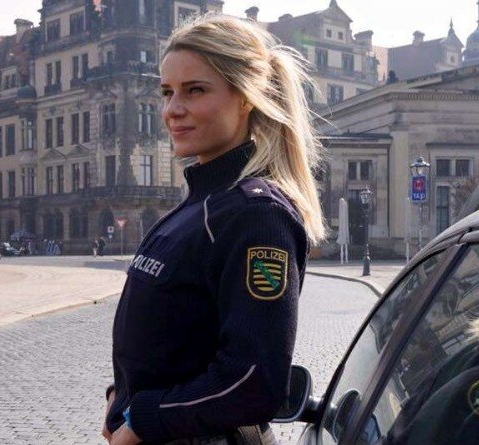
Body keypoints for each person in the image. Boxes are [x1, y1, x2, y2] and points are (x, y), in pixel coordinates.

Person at [103, 14, 325, 445]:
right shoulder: (197, 205)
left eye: (195, 90)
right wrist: (119, 397)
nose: (172, 110)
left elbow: (253, 382)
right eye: (167, 92)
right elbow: (170, 345)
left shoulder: (257, 215)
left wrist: (142, 419)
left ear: (245, 97)